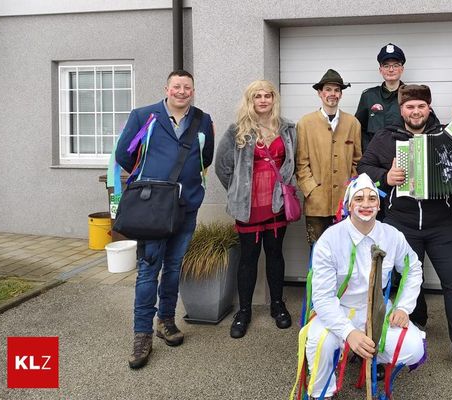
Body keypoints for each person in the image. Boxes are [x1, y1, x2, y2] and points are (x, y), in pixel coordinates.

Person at [358, 84, 452, 384]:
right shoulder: (386, 137)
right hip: (401, 222)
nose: (415, 111)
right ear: (401, 110)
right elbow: (363, 167)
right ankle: (387, 346)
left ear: (429, 108)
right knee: (392, 283)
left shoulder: (447, 134)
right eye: (409, 107)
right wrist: (385, 177)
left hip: (442, 222)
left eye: (421, 106)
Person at [115, 70, 215, 369]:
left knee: (173, 268)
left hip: (186, 206)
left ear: (193, 91)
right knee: (148, 270)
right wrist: (152, 181)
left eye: (187, 87)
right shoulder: (143, 115)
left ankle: (166, 322)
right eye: (177, 87)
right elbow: (124, 154)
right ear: (167, 89)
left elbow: (205, 157)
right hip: (153, 207)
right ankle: (142, 333)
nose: (182, 91)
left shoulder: (202, 119)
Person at [299, 173, 425, 400]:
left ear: (379, 204)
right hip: (338, 311)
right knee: (321, 342)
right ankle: (322, 393)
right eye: (359, 199)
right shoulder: (330, 239)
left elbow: (413, 268)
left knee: (414, 348)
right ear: (348, 205)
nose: (366, 204)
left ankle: (370, 358)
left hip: (377, 313)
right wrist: (350, 333)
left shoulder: (392, 236)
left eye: (372, 199)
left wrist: (403, 308)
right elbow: (323, 297)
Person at [215, 80, 297, 338]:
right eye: (257, 96)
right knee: (248, 258)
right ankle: (244, 311)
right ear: (250, 101)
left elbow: (293, 163)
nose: (263, 100)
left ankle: (277, 305)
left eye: (267, 95)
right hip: (248, 206)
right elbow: (222, 166)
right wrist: (239, 189)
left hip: (276, 204)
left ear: (274, 99)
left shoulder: (287, 129)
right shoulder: (237, 130)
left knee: (275, 255)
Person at [296, 69, 362, 246]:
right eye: (328, 89)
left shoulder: (352, 123)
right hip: (316, 203)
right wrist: (310, 190)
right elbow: (301, 162)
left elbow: (357, 160)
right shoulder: (305, 123)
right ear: (320, 93)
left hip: (344, 202)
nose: (332, 94)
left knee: (344, 251)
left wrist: (351, 189)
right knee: (317, 253)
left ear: (341, 94)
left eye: (337, 90)